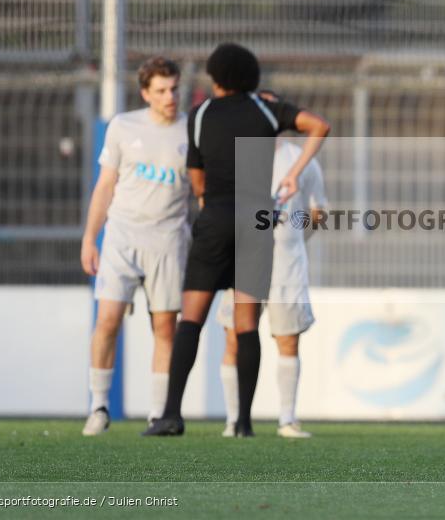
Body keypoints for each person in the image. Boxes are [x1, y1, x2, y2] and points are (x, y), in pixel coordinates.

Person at [143, 43, 330, 437]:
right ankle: (243, 423)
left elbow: (196, 174)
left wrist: (207, 201)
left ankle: (171, 415)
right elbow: (319, 126)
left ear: (216, 78)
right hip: (255, 222)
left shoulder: (201, 113)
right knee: (246, 325)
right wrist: (294, 172)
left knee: (190, 320)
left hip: (215, 220)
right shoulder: (266, 110)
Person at [80, 56, 188, 435]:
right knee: (107, 319)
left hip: (169, 239)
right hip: (123, 236)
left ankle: (159, 414)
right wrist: (90, 238)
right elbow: (105, 185)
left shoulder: (191, 132)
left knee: (165, 327)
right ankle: (98, 407)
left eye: (174, 88)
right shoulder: (123, 126)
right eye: (161, 90)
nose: (169, 96)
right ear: (146, 93)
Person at [216, 134, 328, 438]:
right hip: (243, 263)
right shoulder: (237, 155)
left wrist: (294, 239)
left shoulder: (302, 159)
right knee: (234, 338)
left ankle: (287, 419)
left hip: (287, 267)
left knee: (288, 340)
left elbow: (319, 211)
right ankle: (233, 419)